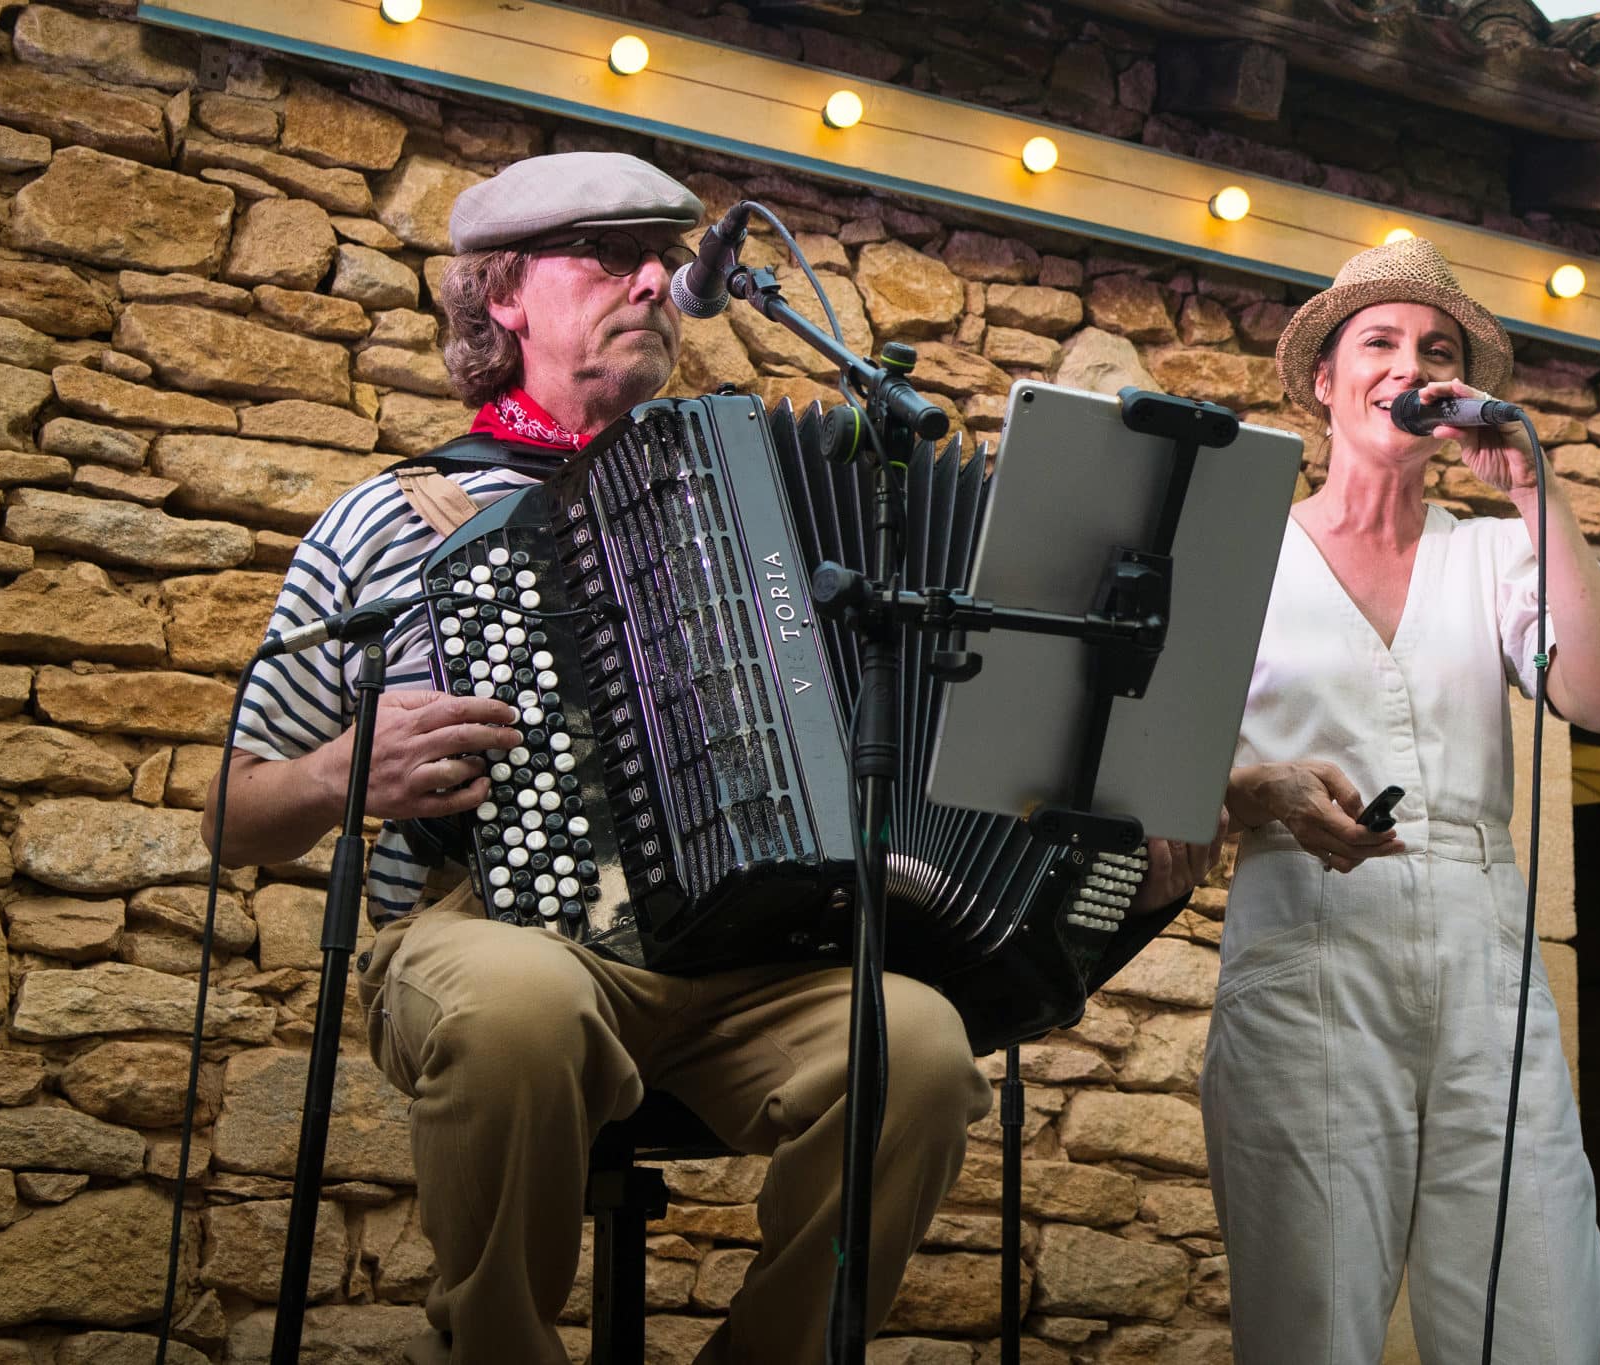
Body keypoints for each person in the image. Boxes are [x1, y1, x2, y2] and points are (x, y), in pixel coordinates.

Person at [204, 150, 1214, 1365]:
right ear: (504, 296)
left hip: (750, 965)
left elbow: (960, 737)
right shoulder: (394, 519)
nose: (650, 281)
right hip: (491, 933)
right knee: (519, 1007)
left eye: (661, 258)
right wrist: (339, 774)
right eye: (606, 256)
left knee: (918, 1050)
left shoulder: (778, 506)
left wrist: (1121, 813)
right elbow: (234, 813)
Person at [1200, 237, 1600, 1364]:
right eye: (1381, 343)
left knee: (1536, 1311)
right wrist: (1261, 790)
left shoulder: (1494, 554)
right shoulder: (1242, 555)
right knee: (1310, 1324)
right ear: (1324, 380)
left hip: (1483, 956)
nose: (1411, 365)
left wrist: (1536, 494)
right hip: (1303, 938)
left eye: (1437, 350)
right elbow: (1161, 784)